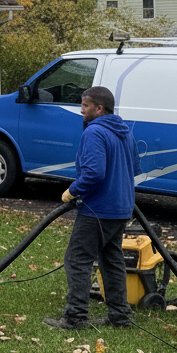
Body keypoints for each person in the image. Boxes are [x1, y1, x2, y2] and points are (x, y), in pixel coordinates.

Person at [43, 85, 141, 330]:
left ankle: (75, 317)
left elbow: (94, 173)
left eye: (85, 105)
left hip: (98, 209)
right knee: (111, 259)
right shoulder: (125, 132)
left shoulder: (95, 132)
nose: (81, 110)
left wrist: (73, 190)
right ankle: (120, 316)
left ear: (99, 108)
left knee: (77, 259)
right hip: (122, 208)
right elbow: (135, 168)